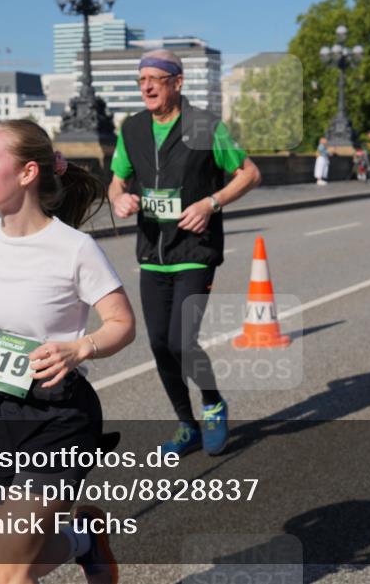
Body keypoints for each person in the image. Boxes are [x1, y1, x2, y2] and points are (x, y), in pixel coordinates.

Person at [0, 119, 136, 584]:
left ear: (26, 173)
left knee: (11, 574)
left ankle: (82, 537)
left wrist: (79, 348)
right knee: (11, 565)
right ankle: (84, 537)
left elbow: (123, 324)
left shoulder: (74, 248)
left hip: (57, 415)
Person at [107, 49, 261, 458]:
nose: (147, 86)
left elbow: (249, 173)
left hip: (195, 249)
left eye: (157, 78)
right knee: (159, 343)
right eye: (142, 80)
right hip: (152, 253)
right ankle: (186, 424)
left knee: (181, 340)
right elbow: (116, 182)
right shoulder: (133, 129)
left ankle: (211, 402)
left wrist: (211, 202)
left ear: (177, 82)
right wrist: (119, 199)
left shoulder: (205, 126)